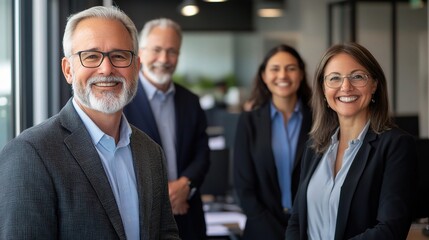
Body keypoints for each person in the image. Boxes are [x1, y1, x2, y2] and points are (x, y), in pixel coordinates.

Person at [0, 6, 180, 239]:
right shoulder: (30, 154)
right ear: (68, 70)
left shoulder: (151, 152)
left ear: (136, 67)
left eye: (119, 56)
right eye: (91, 56)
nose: (106, 69)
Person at [285, 42, 416, 240]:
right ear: (323, 88)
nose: (346, 87)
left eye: (357, 77)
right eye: (335, 78)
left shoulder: (396, 145)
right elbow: (297, 219)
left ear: (374, 84)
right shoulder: (314, 146)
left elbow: (391, 230)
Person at [124, 18, 210, 240]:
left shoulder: (191, 101)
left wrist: (185, 185)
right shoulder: (122, 102)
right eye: (157, 50)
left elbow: (202, 154)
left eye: (172, 51)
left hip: (187, 214)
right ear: (140, 52)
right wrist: (166, 195)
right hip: (142, 219)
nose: (164, 59)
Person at [233, 44, 313, 240]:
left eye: (291, 68)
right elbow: (243, 187)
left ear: (301, 74)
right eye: (275, 69)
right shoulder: (249, 121)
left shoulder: (321, 120)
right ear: (264, 76)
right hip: (262, 231)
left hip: (310, 228)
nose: (283, 75)